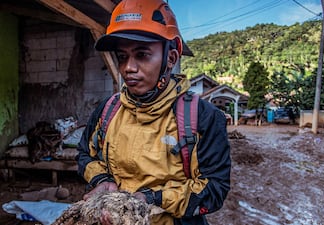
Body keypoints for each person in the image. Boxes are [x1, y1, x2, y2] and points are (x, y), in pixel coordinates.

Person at [76, 0, 231, 224]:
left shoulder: (202, 117)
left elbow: (215, 189)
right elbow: (85, 155)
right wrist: (102, 181)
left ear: (171, 58)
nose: (128, 67)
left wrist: (150, 199)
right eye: (122, 57)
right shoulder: (107, 111)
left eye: (142, 55)